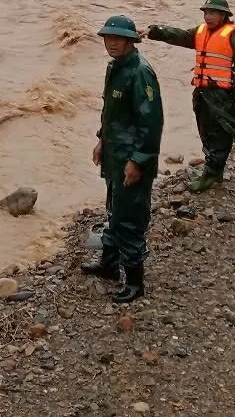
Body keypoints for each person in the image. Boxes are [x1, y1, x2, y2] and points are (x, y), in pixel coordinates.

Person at [85, 15, 163, 303]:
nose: (112, 43)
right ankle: (108, 263)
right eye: (108, 38)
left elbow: (151, 122)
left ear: (131, 41)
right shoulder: (114, 68)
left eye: (118, 38)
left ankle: (134, 279)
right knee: (113, 208)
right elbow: (111, 112)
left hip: (132, 158)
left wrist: (138, 161)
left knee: (130, 216)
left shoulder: (141, 72)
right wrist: (101, 140)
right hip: (114, 153)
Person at [143, 0, 235, 193]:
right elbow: (180, 35)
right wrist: (154, 31)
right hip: (202, 92)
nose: (208, 16)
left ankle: (211, 174)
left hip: (222, 94)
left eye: (212, 13)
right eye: (205, 12)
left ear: (223, 15)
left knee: (219, 134)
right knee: (205, 130)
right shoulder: (201, 31)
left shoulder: (234, 34)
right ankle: (213, 171)